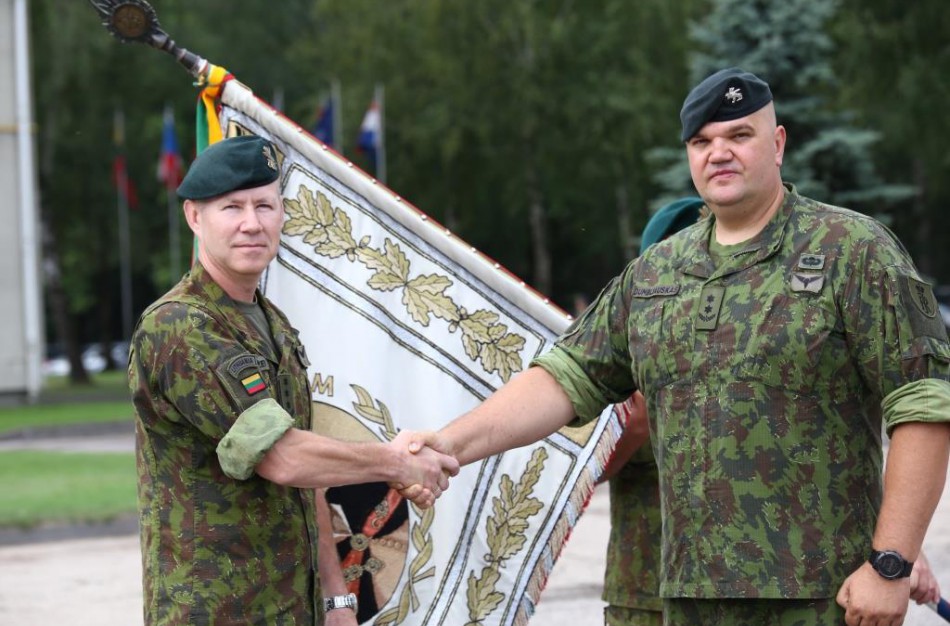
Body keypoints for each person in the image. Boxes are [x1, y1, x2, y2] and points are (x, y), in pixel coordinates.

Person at [403, 68, 950, 625]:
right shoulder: (656, 274)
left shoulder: (852, 252)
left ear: (778, 143)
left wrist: (890, 564)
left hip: (825, 599)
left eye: (740, 136)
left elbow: (925, 406)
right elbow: (562, 378)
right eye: (702, 142)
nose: (719, 154)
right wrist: (449, 443)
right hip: (689, 598)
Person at [128, 135, 458, 626]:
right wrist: (396, 461)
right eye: (231, 207)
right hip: (216, 613)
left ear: (283, 215)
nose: (251, 223)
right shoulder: (180, 327)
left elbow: (309, 484)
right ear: (195, 218)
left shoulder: (273, 324)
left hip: (291, 609)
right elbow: (283, 458)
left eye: (265, 205)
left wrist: (336, 597)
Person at [599, 198, 706, 626]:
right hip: (646, 591)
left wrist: (900, 551)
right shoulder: (620, 349)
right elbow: (586, 468)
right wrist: (636, 421)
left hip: (757, 592)